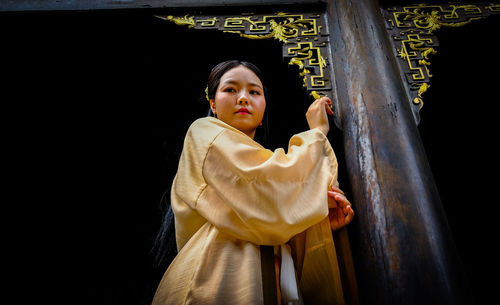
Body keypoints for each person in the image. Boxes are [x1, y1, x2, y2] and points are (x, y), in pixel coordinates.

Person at [152, 60, 355, 305]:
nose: (243, 98)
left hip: (275, 275)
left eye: (254, 92)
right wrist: (317, 133)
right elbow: (262, 189)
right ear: (213, 104)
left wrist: (317, 219)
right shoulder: (204, 132)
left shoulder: (263, 163)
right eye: (230, 89)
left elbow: (271, 211)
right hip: (215, 274)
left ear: (263, 111)